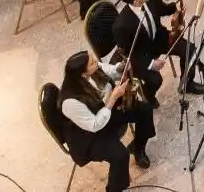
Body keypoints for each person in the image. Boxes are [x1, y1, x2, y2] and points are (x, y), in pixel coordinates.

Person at [58, 49, 155, 192]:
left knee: (144, 110)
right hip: (88, 135)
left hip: (104, 111)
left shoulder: (93, 68)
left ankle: (137, 147)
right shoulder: (70, 102)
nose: (96, 62)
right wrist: (113, 98)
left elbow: (109, 70)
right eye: (92, 63)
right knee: (120, 155)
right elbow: (94, 125)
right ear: (82, 73)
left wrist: (120, 68)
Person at [112, 0, 202, 103]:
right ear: (137, 1)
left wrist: (176, 7)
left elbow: (163, 9)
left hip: (158, 38)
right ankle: (148, 95)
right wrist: (150, 64)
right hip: (141, 53)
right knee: (155, 80)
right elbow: (129, 54)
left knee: (190, 50)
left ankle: (187, 83)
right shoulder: (121, 26)